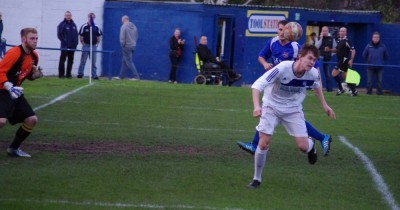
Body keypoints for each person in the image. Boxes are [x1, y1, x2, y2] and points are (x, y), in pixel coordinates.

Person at [237, 20, 332, 157]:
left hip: (291, 86)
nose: (281, 32)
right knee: (267, 110)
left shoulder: (295, 47)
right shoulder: (273, 42)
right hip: (276, 83)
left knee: (288, 113)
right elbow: (261, 56)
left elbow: (313, 62)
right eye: (280, 29)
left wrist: (316, 83)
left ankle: (321, 138)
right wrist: (265, 64)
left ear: (291, 33)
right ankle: (255, 144)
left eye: (284, 30)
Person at [247, 44, 336, 188]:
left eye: (314, 60)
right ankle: (257, 179)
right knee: (263, 143)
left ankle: (311, 146)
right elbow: (257, 85)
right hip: (271, 106)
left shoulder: (313, 73)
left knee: (302, 146)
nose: (312, 62)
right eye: (309, 58)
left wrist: (325, 105)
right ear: (300, 56)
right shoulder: (282, 68)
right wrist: (257, 107)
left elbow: (317, 85)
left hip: (293, 110)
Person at [0, 28, 44, 158]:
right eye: (32, 38)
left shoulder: (34, 56)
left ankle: (13, 149)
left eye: (36, 38)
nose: (35, 41)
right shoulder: (14, 53)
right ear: (23, 39)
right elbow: (0, 71)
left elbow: (27, 75)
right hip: (2, 91)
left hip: (15, 93)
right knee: (1, 122)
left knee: (31, 120)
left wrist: (34, 76)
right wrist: (8, 85)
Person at [331, 27, 357, 96]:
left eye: (343, 31)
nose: (341, 32)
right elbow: (336, 50)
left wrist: (351, 59)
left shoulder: (347, 41)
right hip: (340, 60)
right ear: (339, 32)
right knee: (345, 77)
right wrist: (329, 50)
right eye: (341, 31)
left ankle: (340, 88)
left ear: (346, 32)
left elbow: (353, 50)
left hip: (343, 61)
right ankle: (354, 91)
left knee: (333, 73)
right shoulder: (340, 41)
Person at [113, 15, 140, 81]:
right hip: (133, 46)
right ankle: (121, 76)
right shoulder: (134, 26)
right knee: (124, 61)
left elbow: (122, 38)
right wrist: (134, 43)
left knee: (129, 61)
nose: (121, 21)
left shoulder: (123, 26)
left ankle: (136, 76)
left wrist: (122, 45)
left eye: (122, 20)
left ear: (124, 19)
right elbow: (136, 36)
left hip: (126, 46)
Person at [77, 12, 102, 80]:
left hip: (93, 46)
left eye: (93, 17)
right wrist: (84, 44)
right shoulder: (84, 26)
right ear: (88, 17)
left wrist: (96, 44)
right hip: (86, 46)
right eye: (90, 17)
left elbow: (98, 37)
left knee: (93, 62)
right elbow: (81, 36)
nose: (91, 19)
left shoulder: (97, 27)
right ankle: (80, 74)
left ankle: (94, 75)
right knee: (83, 61)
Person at [57, 11, 79, 79]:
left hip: (72, 46)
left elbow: (76, 34)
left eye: (69, 15)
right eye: (67, 15)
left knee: (70, 60)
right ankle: (61, 75)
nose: (68, 16)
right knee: (62, 60)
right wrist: (65, 42)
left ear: (71, 16)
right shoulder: (62, 24)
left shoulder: (73, 24)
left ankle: (68, 74)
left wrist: (76, 43)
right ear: (64, 16)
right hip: (65, 46)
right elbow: (59, 35)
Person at [315, 26, 336, 92]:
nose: (324, 32)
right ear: (321, 31)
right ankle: (317, 88)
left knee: (327, 74)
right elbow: (316, 46)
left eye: (325, 31)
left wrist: (330, 54)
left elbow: (335, 49)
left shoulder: (331, 39)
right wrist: (321, 39)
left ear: (328, 31)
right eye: (323, 31)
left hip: (327, 59)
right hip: (319, 59)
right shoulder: (318, 38)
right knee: (317, 74)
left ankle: (329, 89)